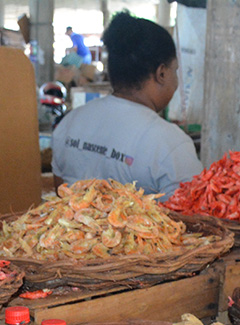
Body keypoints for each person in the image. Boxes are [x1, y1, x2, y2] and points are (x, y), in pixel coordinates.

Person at [51, 12, 200, 199]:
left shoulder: (70, 122)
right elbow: (192, 221)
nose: (176, 81)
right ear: (161, 73)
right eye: (175, 70)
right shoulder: (171, 143)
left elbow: (59, 199)